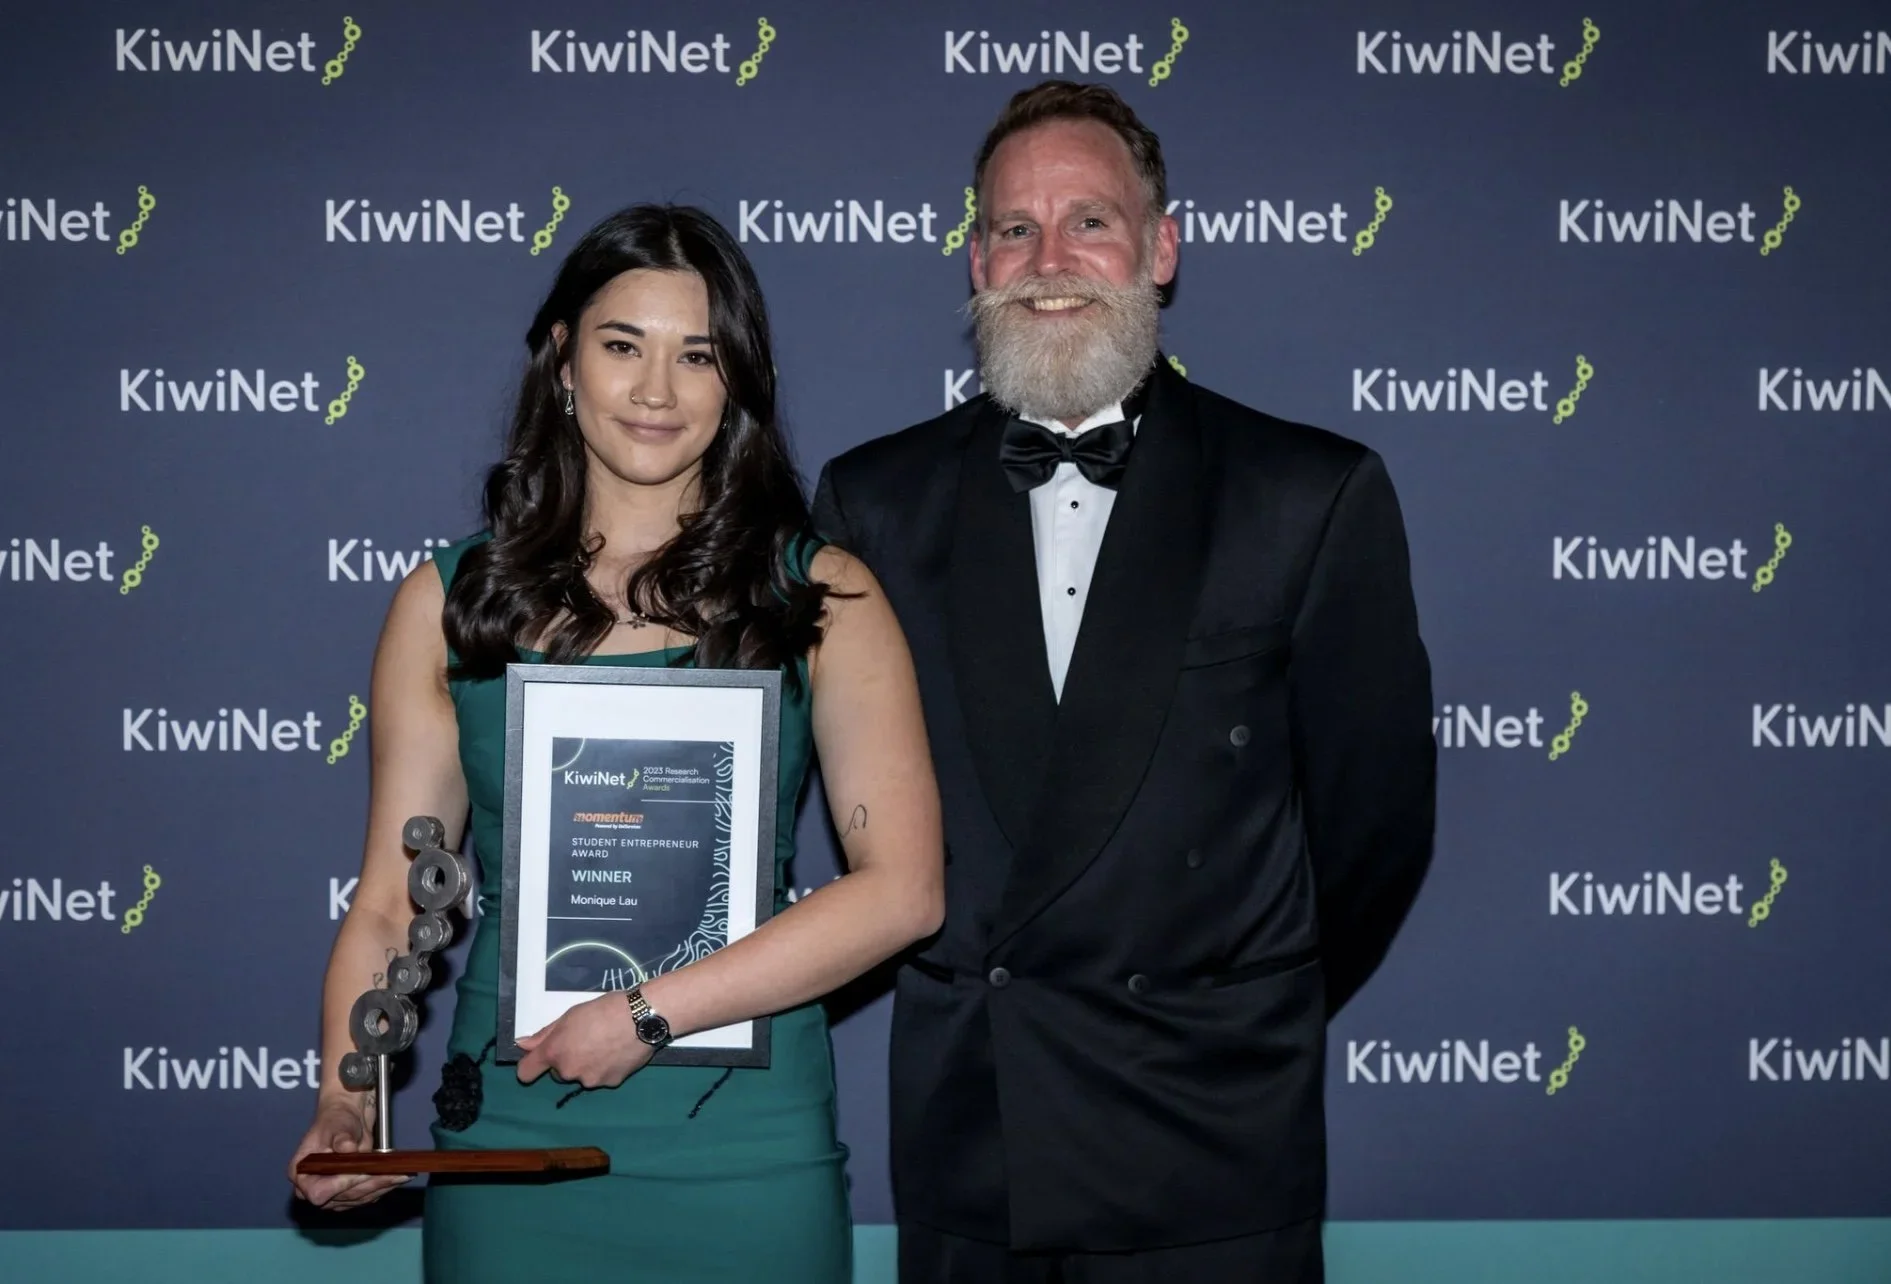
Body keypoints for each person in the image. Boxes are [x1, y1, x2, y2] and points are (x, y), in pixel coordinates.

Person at [812, 81, 1437, 1283]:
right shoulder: (872, 503)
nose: (1048, 259)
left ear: (1159, 249)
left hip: (1211, 1139)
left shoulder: (1306, 494)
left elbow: (1374, 833)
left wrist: (1220, 1005)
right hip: (973, 1142)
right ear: (975, 259)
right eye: (1011, 228)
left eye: (1088, 221)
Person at [288, 204, 945, 1284]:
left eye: (698, 355)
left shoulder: (822, 594)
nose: (656, 391)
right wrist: (344, 1103)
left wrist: (647, 1013)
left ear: (739, 380)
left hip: (744, 1144)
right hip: (512, 1130)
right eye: (621, 345)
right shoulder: (450, 601)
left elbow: (904, 891)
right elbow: (388, 903)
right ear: (560, 359)